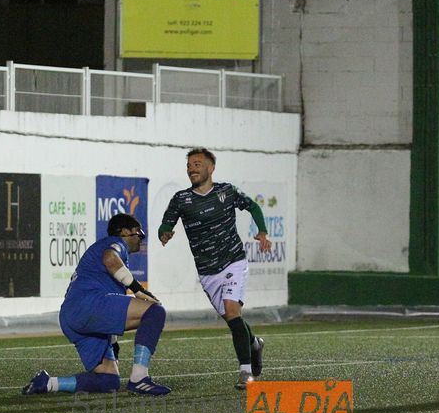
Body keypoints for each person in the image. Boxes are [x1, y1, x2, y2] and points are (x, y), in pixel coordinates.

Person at [158, 147, 271, 390]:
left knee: (232, 311)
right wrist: (164, 233)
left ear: (211, 168)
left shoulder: (226, 191)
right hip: (207, 271)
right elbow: (166, 223)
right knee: (233, 320)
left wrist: (261, 231)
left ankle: (246, 373)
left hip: (233, 260)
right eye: (189, 165)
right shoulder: (181, 199)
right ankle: (254, 345)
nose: (191, 169)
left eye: (197, 164)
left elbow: (253, 207)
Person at [23, 213, 171, 396]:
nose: (141, 238)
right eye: (139, 233)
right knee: (155, 312)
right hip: (87, 305)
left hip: (72, 317)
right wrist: (137, 289)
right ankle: (140, 378)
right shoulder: (117, 243)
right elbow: (110, 258)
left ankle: (48, 384)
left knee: (108, 381)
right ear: (125, 232)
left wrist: (112, 339)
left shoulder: (101, 250)